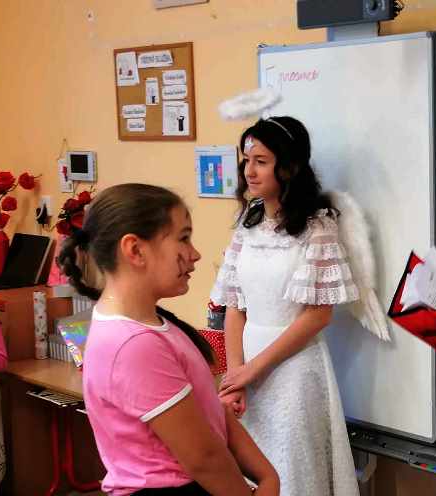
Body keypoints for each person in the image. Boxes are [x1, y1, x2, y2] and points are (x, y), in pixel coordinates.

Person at [58, 183, 278, 495]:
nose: (195, 254)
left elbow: (212, 416)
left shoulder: (154, 325)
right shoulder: (134, 344)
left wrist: (267, 475)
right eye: (183, 238)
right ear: (135, 250)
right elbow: (203, 458)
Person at [211, 116, 362, 495]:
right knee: (250, 474)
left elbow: (318, 316)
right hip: (248, 368)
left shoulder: (317, 227)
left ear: (289, 167)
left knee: (293, 472)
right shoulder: (247, 223)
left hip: (294, 370)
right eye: (246, 160)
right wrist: (236, 377)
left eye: (261, 161)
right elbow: (235, 305)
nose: (249, 171)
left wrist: (253, 370)